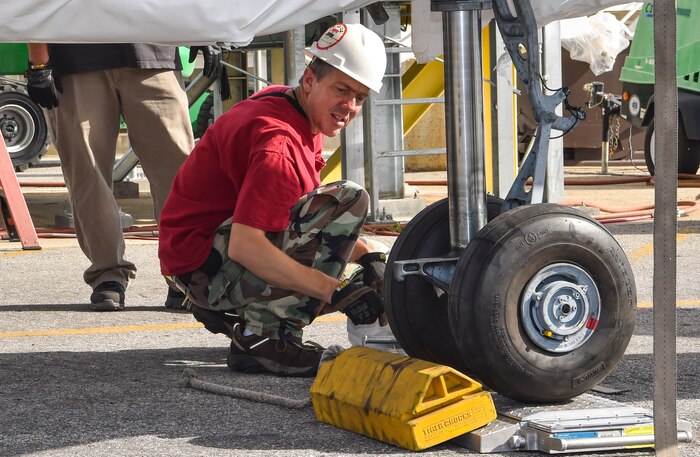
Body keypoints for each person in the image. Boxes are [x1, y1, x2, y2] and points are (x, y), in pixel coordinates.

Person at [158, 23, 389, 378]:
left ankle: (245, 314)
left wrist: (367, 253)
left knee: (347, 251)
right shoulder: (277, 146)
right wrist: (337, 291)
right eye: (342, 90)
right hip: (205, 268)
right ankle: (265, 339)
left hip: (195, 258)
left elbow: (298, 215)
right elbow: (246, 247)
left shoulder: (291, 105)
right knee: (349, 198)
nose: (350, 106)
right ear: (310, 79)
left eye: (360, 97)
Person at [26, 43, 221, 311]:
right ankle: (107, 275)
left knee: (180, 174)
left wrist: (205, 31)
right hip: (75, 59)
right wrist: (38, 63)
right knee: (87, 174)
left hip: (154, 53)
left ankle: (184, 273)